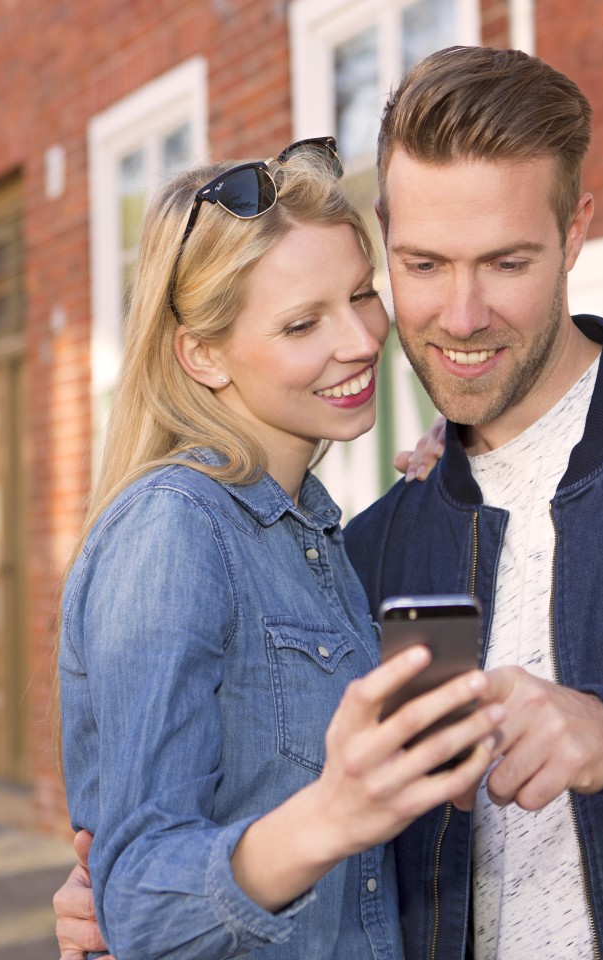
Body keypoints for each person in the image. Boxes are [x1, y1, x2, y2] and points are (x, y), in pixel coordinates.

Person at [58, 46, 603, 960]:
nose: (459, 314)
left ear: (574, 236)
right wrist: (136, 904)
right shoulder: (368, 548)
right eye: (421, 264)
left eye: (505, 262)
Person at [56, 141, 506, 960]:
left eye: (362, 296)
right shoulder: (176, 529)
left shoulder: (315, 535)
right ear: (202, 354)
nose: (362, 341)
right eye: (303, 323)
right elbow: (142, 904)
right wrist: (335, 812)